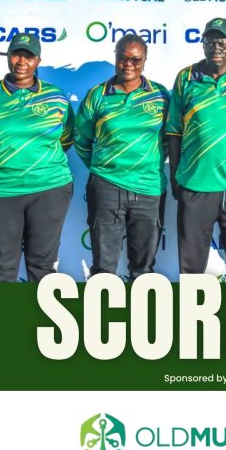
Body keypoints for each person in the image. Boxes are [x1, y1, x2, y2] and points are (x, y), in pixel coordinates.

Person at [0, 33, 74, 282]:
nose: (21, 62)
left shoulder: (56, 97)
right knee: (2, 266)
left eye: (29, 56)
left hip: (49, 189)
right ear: (8, 56)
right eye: (16, 55)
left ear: (38, 61)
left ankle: (39, 310)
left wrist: (36, 162)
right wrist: (4, 159)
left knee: (43, 266)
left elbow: (66, 139)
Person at [167, 18, 226, 274]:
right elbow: (174, 131)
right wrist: (174, 175)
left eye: (222, 42)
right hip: (195, 184)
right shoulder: (186, 78)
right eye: (210, 42)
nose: (216, 48)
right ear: (202, 44)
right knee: (191, 269)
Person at [75, 34, 170, 280]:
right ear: (115, 57)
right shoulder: (97, 95)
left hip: (149, 188)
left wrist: (149, 163)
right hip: (106, 187)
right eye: (122, 58)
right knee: (103, 268)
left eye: (135, 60)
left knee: (143, 270)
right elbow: (82, 140)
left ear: (145, 61)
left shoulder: (161, 96)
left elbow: (170, 139)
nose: (128, 64)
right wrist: (104, 167)